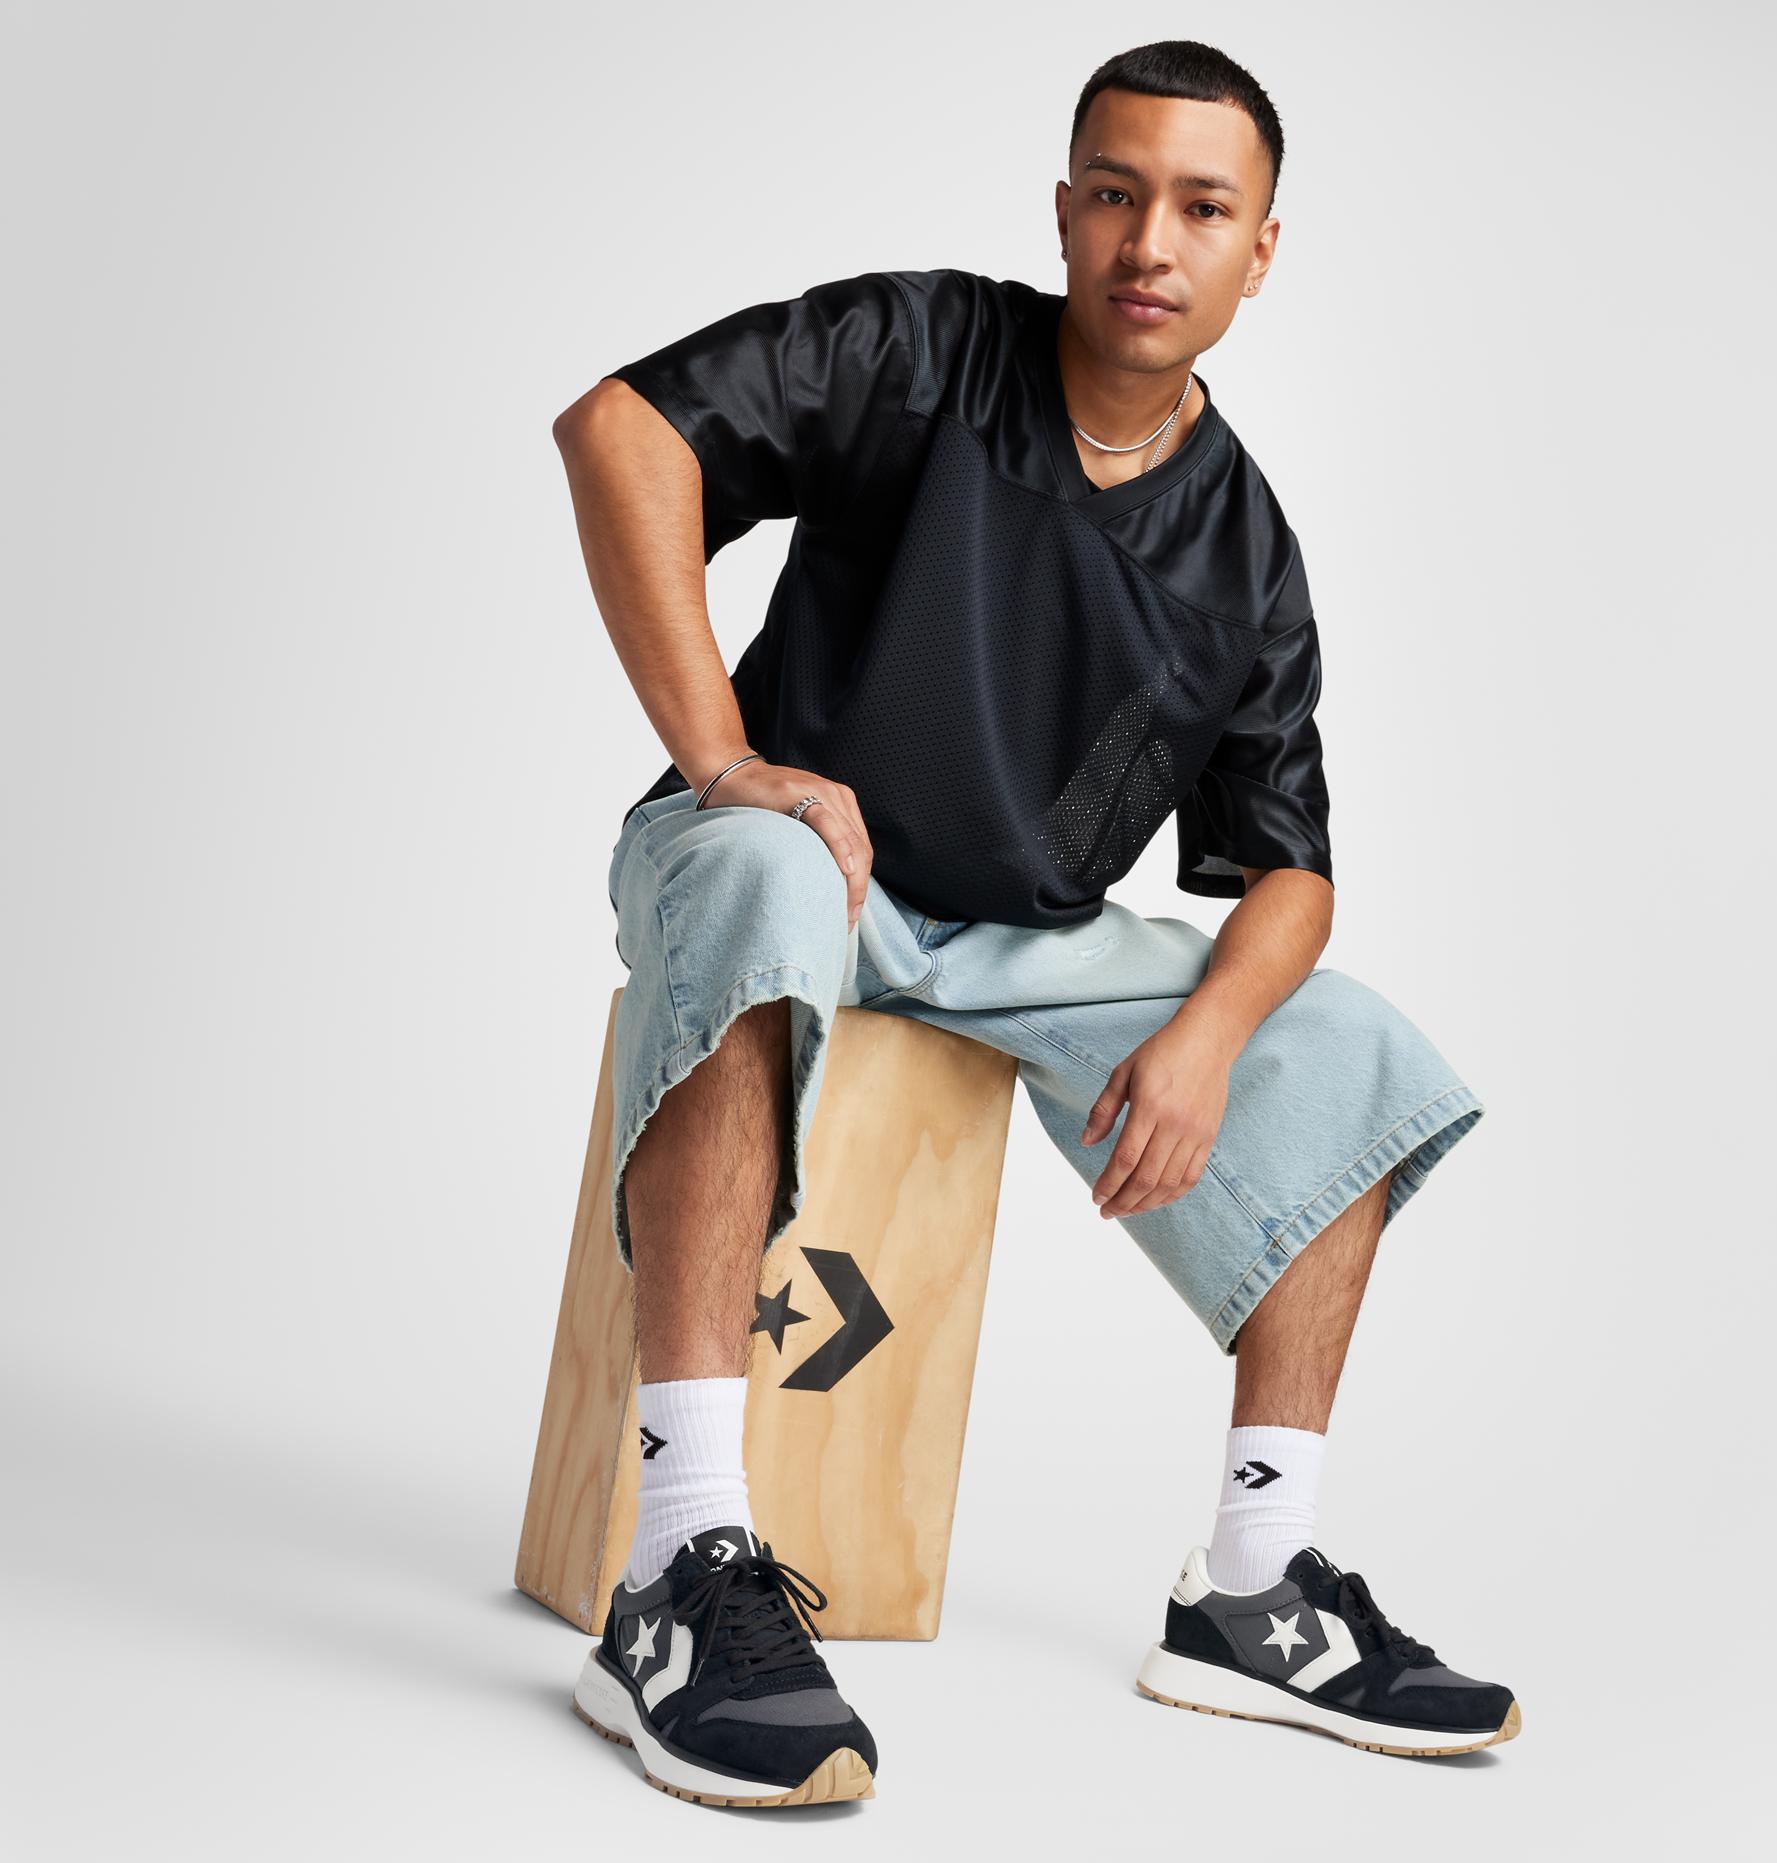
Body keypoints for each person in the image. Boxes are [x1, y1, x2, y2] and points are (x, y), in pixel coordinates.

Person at [550, 37, 1516, 1810]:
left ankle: (1253, 1589)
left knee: (1352, 1045)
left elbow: (1288, 866)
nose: (1152, 241)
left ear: (1259, 251)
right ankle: (676, 1571)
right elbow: (622, 431)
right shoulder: (922, 347)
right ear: (1066, 211)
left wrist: (1209, 1039)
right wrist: (726, 762)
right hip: (794, 862)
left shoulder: (1245, 551)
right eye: (1118, 194)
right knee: (764, 871)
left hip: (1017, 944)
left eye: (1202, 208)